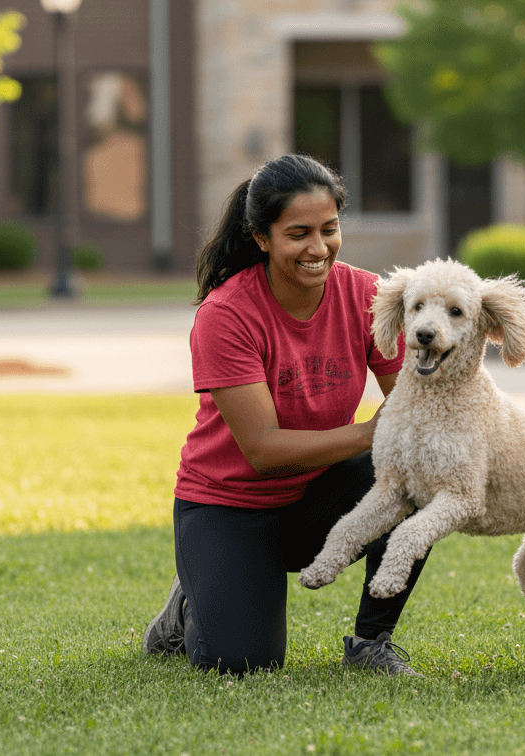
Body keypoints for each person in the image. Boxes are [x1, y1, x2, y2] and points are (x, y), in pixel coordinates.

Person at [142, 153, 429, 675]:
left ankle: (371, 642)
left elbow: (416, 403)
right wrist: (372, 432)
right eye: (299, 234)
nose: (318, 248)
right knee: (242, 663)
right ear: (261, 237)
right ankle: (188, 603)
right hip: (230, 504)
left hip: (318, 497)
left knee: (419, 467)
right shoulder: (226, 314)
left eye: (329, 229)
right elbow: (263, 450)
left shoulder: (368, 296)